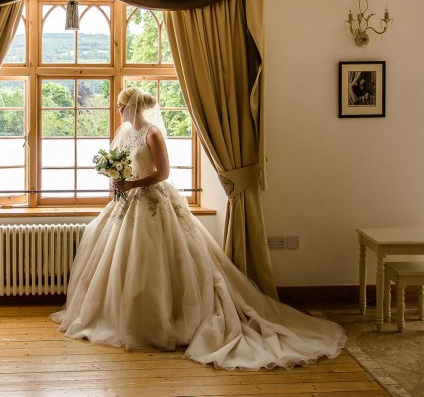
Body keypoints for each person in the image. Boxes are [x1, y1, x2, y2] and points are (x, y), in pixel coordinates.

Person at [52, 87, 345, 370]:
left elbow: (162, 174)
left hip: (153, 202)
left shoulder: (152, 134)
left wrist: (132, 183)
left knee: (155, 261)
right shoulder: (127, 133)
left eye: (119, 106)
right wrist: (119, 180)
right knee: (116, 257)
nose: (117, 111)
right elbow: (126, 167)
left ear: (131, 107)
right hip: (129, 201)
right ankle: (119, 317)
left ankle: (167, 321)